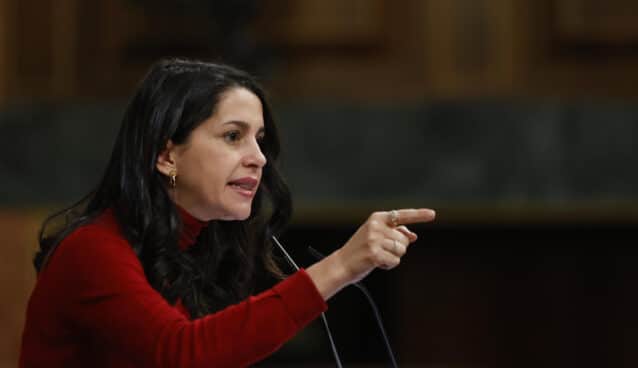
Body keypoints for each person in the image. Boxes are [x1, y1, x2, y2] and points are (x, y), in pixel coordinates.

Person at [19, 58, 436, 367]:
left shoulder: (189, 252)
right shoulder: (92, 250)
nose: (258, 158)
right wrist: (342, 265)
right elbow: (182, 354)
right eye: (233, 136)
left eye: (259, 140)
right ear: (166, 154)